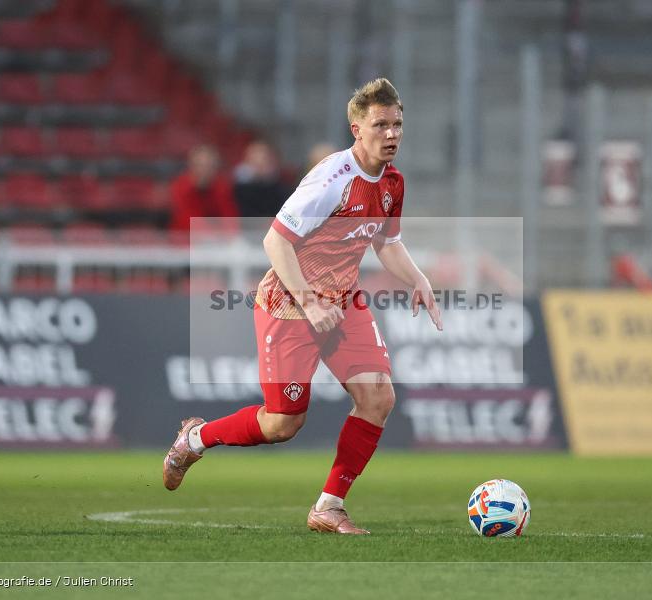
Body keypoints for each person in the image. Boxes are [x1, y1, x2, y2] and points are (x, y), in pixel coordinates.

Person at [163, 78, 442, 534]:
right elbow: (275, 241)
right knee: (282, 423)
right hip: (290, 305)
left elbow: (386, 242)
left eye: (397, 124)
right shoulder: (331, 180)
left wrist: (419, 278)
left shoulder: (393, 182)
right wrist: (310, 302)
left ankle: (329, 506)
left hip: (343, 301)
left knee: (378, 397)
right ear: (357, 129)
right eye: (380, 125)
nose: (391, 134)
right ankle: (195, 439)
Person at [168, 144, 239, 234]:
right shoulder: (179, 187)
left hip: (217, 238)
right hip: (184, 238)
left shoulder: (222, 187)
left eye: (209, 165)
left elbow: (230, 218)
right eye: (200, 165)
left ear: (216, 167)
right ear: (191, 165)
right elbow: (187, 221)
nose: (204, 170)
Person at [233, 140, 290, 226]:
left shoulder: (284, 190)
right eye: (255, 159)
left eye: (264, 158)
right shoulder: (236, 190)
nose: (260, 163)